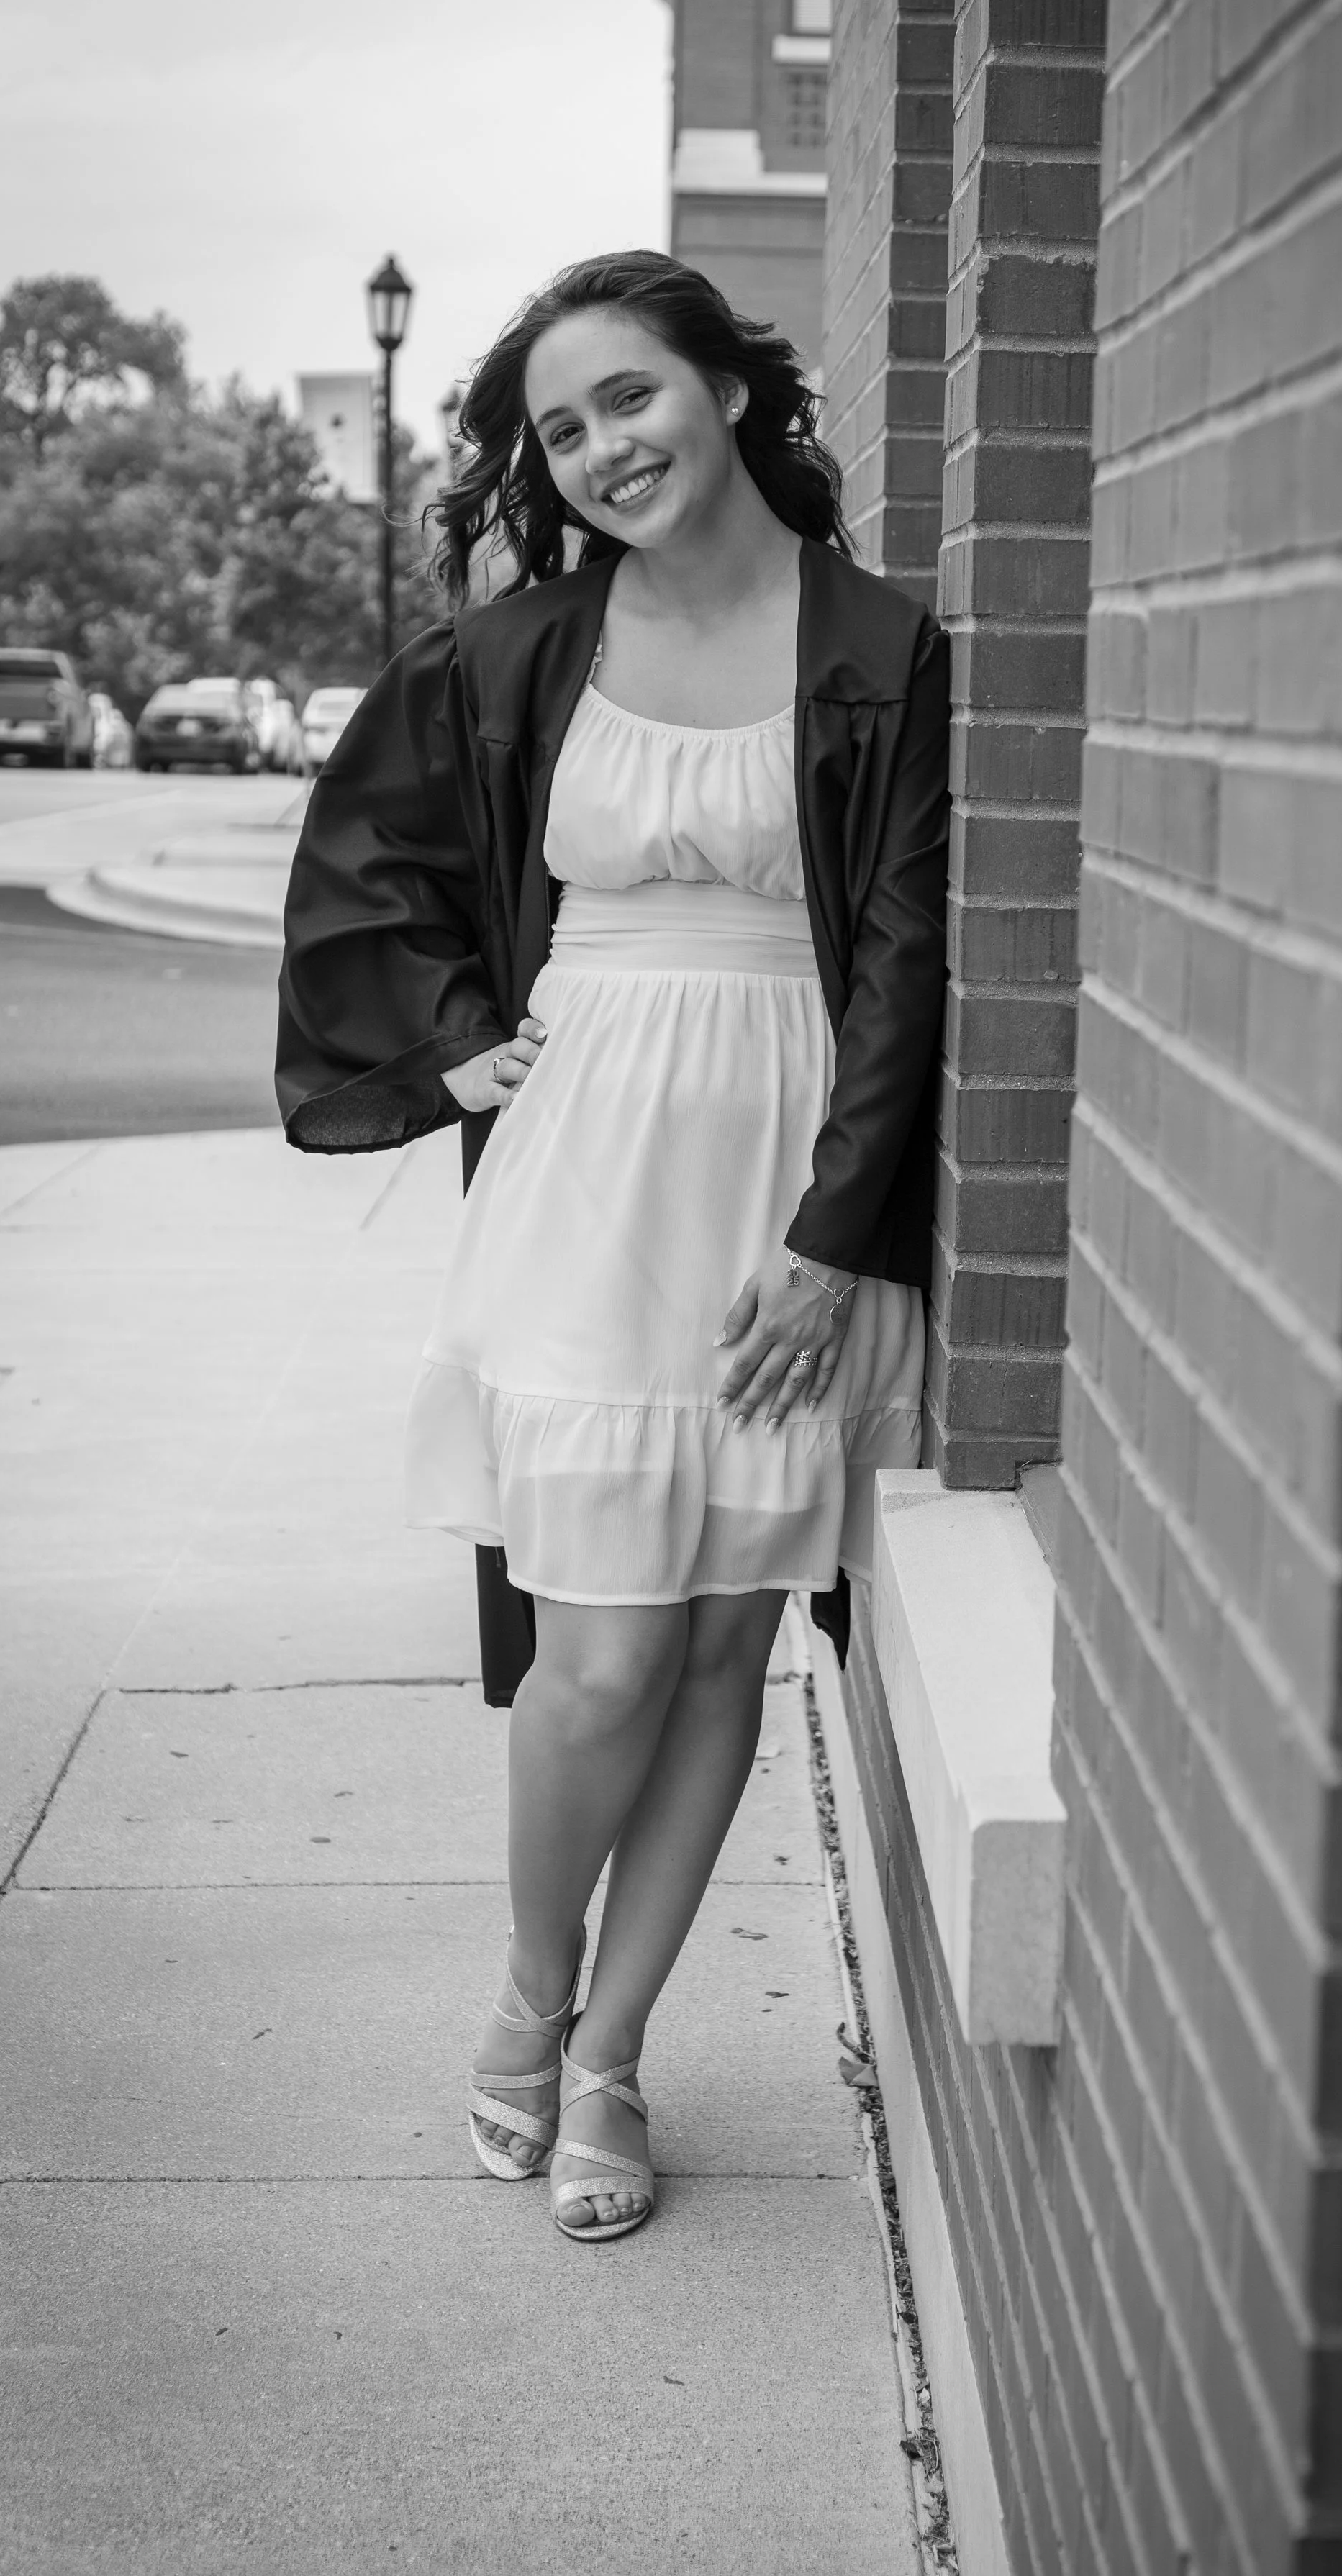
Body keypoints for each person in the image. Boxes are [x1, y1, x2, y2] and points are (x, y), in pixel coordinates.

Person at [276, 250, 949, 2243]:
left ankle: (610, 2056)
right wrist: (445, 1042)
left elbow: (908, 962)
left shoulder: (883, 651)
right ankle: (526, 1984)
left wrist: (837, 1240)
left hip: (786, 1166)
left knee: (726, 1628)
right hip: (587, 1168)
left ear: (729, 393)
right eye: (560, 430)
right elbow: (364, 861)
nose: (599, 451)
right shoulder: (517, 654)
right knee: (601, 1648)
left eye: (628, 399)